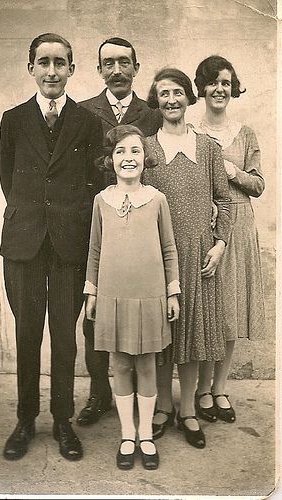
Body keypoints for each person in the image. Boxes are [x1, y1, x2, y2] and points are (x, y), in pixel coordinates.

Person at [0, 33, 103, 461]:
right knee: (27, 334)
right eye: (43, 63)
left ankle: (63, 419)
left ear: (72, 70)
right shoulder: (13, 119)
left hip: (68, 247)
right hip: (24, 243)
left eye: (60, 63)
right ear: (31, 69)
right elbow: (9, 179)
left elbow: (93, 183)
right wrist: (33, 216)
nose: (52, 71)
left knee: (64, 336)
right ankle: (26, 419)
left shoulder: (87, 122)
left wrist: (65, 220)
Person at [143, 67, 231, 448]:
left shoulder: (208, 147)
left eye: (178, 92)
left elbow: (224, 202)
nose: (172, 100)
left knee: (193, 335)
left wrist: (219, 244)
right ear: (156, 100)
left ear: (188, 97)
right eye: (164, 93)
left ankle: (189, 411)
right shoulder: (145, 148)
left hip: (199, 257)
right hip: (159, 258)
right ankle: (163, 406)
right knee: (164, 337)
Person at [77, 37, 162, 427]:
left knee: (145, 315)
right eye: (108, 63)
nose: (116, 70)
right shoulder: (82, 112)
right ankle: (100, 393)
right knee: (96, 312)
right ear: (99, 70)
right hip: (98, 223)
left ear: (136, 67)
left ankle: (148, 402)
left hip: (143, 227)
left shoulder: (153, 113)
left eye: (124, 62)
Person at [84, 124, 180, 470]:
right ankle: (127, 434)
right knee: (121, 364)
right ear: (109, 160)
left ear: (145, 157)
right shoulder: (101, 200)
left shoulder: (157, 200)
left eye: (135, 151)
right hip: (113, 295)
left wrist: (172, 292)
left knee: (146, 364)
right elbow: (95, 250)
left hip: (150, 295)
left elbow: (169, 248)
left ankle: (146, 435)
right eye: (120, 151)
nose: (128, 158)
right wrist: (91, 292)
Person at [194, 55, 265, 423]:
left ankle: (219, 388)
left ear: (232, 87)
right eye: (212, 82)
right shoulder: (192, 132)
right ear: (201, 88)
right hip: (206, 225)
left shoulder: (245, 133)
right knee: (209, 310)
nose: (219, 89)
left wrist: (232, 170)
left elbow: (259, 184)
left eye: (225, 82)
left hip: (239, 224)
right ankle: (201, 389)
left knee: (232, 310)